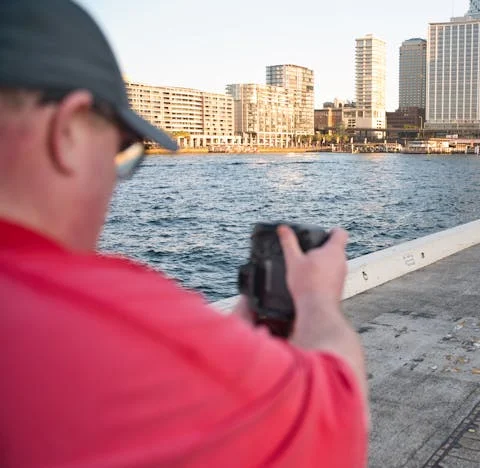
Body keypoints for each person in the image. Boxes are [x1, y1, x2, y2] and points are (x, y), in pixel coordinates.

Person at [0, 2, 368, 467]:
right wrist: (316, 299)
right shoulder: (102, 321)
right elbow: (338, 418)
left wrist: (223, 351)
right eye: (121, 154)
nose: (116, 181)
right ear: (67, 130)